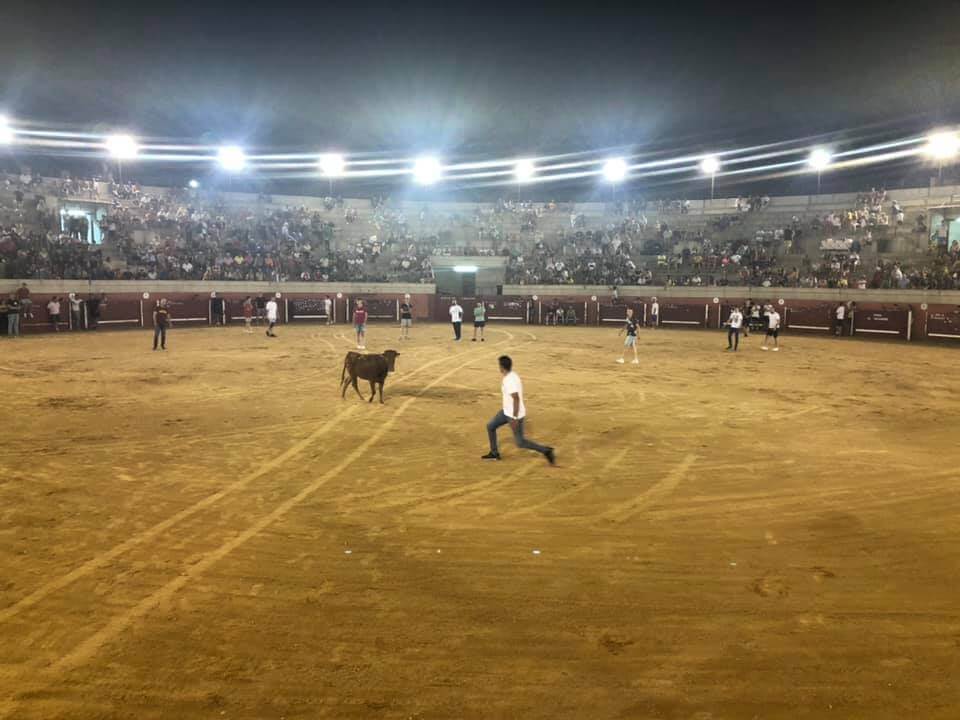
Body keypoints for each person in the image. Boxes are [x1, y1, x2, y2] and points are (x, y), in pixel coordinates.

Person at [482, 355, 555, 465]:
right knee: (490, 426)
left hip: (513, 415)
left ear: (502, 367)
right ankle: (494, 453)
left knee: (520, 442)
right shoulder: (512, 375)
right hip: (506, 412)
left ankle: (546, 451)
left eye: (499, 366)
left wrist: (515, 418)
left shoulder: (509, 380)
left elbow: (516, 398)